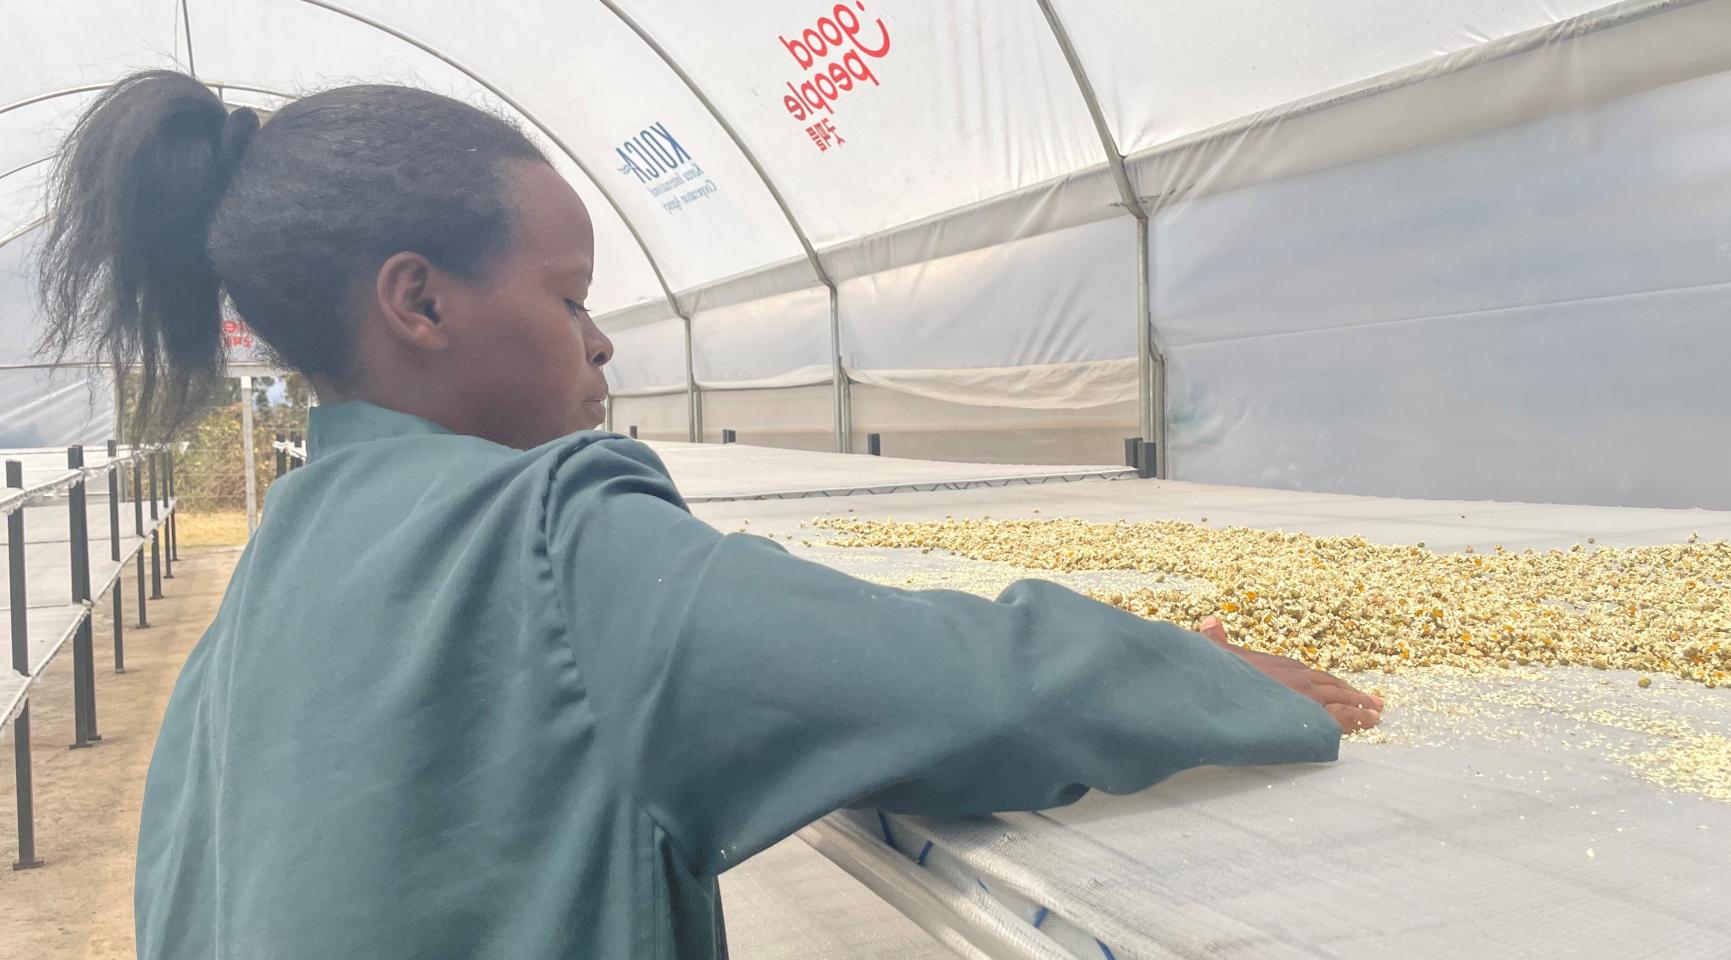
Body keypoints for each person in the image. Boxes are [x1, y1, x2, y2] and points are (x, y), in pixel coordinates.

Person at [38, 71, 1382, 959]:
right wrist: (1199, 674)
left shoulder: (263, 590)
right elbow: (948, 686)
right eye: (569, 302)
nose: (602, 346)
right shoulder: (549, 533)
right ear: (421, 303)